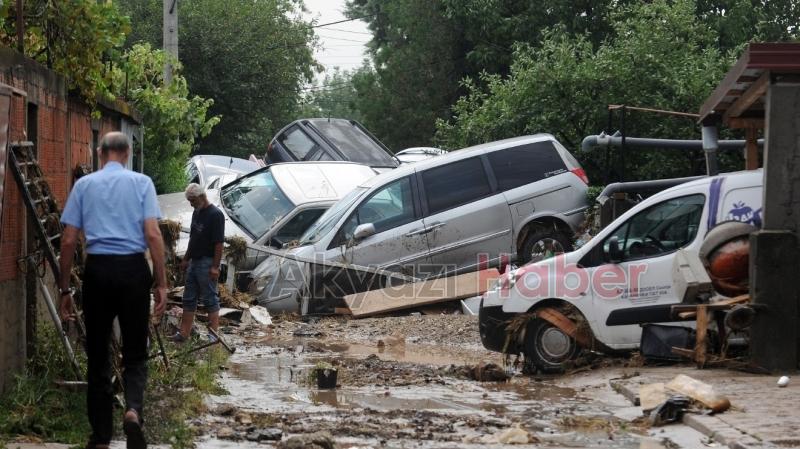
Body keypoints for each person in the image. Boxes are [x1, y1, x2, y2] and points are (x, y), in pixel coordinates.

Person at [59, 132, 167, 449]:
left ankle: (101, 437)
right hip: (134, 271)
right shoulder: (142, 183)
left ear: (100, 152)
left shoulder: (83, 185)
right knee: (135, 352)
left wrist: (65, 288)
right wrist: (160, 282)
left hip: (98, 272)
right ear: (128, 152)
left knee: (98, 354)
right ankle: (133, 410)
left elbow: (67, 241)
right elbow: (153, 235)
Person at [171, 182, 224, 342]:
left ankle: (213, 337)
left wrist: (215, 267)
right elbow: (193, 239)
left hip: (207, 262)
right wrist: (186, 259)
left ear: (201, 197)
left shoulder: (216, 215)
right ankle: (184, 333)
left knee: (209, 299)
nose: (191, 204)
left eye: (192, 200)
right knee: (188, 297)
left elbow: (219, 244)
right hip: (194, 262)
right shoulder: (197, 212)